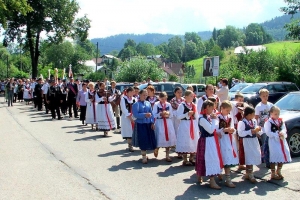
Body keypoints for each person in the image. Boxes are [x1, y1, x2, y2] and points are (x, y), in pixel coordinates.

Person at [196, 100, 223, 189]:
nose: (213, 109)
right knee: (208, 158)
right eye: (212, 107)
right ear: (207, 107)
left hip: (211, 140)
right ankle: (211, 180)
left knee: (207, 158)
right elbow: (210, 130)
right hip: (206, 141)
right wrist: (215, 120)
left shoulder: (207, 117)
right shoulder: (202, 119)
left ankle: (200, 175)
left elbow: (213, 129)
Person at [263, 106, 291, 180]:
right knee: (274, 155)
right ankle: (272, 173)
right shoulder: (268, 122)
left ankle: (278, 170)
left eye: (278, 114)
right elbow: (268, 132)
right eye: (275, 114)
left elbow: (284, 129)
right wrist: (276, 134)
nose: (277, 115)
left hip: (281, 140)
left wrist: (282, 133)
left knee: (281, 154)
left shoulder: (280, 121)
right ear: (271, 113)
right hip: (273, 141)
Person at [238, 106, 263, 183]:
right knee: (249, 157)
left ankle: (248, 173)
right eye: (252, 114)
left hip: (254, 141)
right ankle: (250, 174)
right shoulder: (242, 122)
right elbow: (240, 133)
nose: (253, 115)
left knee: (254, 155)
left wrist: (258, 131)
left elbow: (256, 129)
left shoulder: (254, 121)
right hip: (247, 141)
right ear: (248, 114)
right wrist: (250, 131)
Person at [217, 100, 238, 188]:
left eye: (229, 111)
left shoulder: (230, 117)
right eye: (227, 110)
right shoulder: (218, 117)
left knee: (228, 157)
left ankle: (228, 179)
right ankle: (219, 172)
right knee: (222, 156)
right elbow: (216, 130)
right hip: (221, 140)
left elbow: (232, 126)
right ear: (222, 108)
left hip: (229, 140)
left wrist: (232, 130)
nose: (228, 112)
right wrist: (224, 130)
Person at [132, 89, 156, 164]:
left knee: (149, 139)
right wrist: (144, 115)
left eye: (146, 95)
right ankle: (144, 156)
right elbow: (135, 114)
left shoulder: (148, 103)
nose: (145, 96)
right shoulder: (136, 104)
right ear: (139, 94)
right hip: (140, 124)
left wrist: (152, 122)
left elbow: (152, 114)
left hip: (148, 124)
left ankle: (147, 153)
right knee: (143, 139)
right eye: (143, 95)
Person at [176, 90, 199, 166]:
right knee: (185, 140)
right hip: (185, 125)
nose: (192, 97)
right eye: (191, 96)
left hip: (193, 124)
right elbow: (178, 116)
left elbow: (197, 117)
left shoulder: (194, 105)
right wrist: (186, 114)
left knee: (193, 140)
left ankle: (191, 158)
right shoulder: (182, 105)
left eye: (193, 96)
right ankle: (185, 159)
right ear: (186, 97)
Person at [152, 92, 176, 162]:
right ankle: (157, 148)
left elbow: (171, 114)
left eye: (165, 98)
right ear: (159, 98)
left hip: (168, 122)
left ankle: (167, 155)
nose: (163, 100)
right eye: (162, 99)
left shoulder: (168, 104)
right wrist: (160, 114)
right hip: (160, 122)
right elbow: (154, 114)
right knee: (160, 136)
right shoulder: (156, 104)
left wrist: (168, 114)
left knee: (168, 137)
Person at [255, 89, 273, 167]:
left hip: (270, 128)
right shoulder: (258, 107)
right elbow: (255, 119)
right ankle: (266, 161)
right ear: (260, 97)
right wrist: (257, 130)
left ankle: (267, 159)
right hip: (262, 129)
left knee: (270, 144)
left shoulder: (271, 105)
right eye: (263, 96)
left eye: (266, 96)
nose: (265, 97)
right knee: (265, 144)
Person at [120, 87, 137, 152]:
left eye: (133, 92)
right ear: (128, 92)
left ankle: (133, 144)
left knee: (133, 131)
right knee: (128, 131)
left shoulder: (134, 99)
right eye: (132, 92)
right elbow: (123, 109)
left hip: (133, 116)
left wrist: (134, 116)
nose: (133, 93)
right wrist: (129, 116)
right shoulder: (123, 99)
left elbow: (136, 108)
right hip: (126, 117)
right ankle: (130, 145)